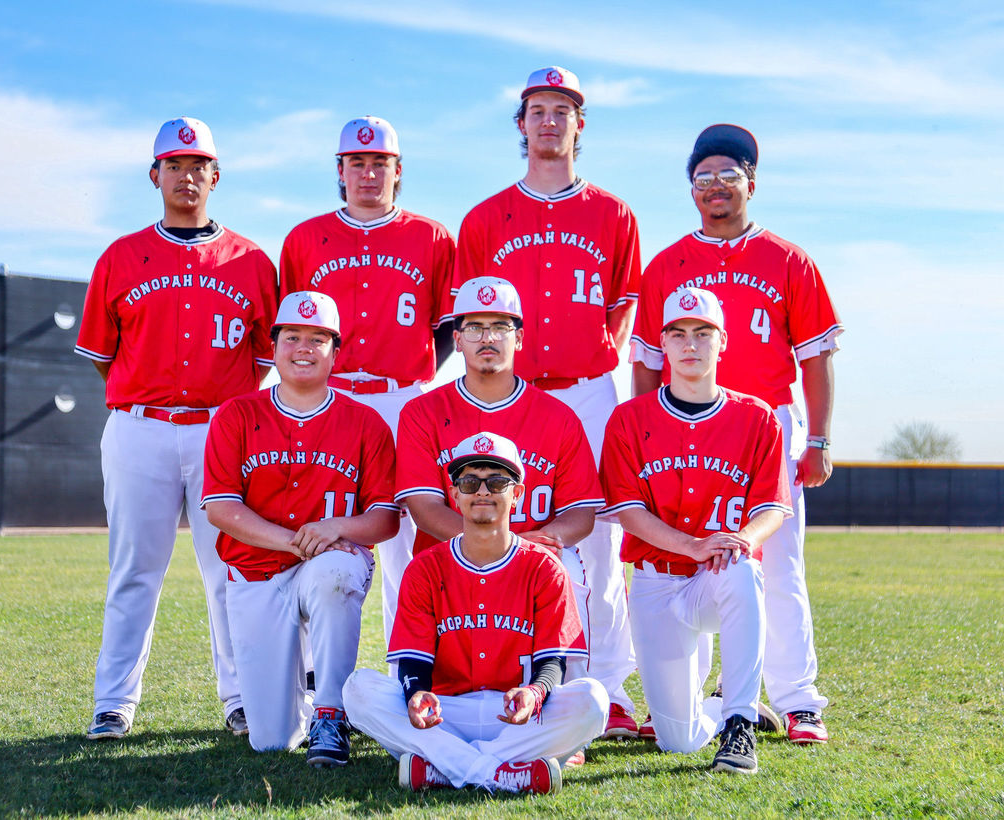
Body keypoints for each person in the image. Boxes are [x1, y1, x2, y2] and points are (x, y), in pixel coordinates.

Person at [630, 124, 842, 743]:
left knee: (776, 564)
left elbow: (816, 357)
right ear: (690, 188)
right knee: (680, 563)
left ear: (751, 182)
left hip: (766, 423)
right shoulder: (667, 264)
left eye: (728, 175)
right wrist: (645, 438)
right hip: (680, 428)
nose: (716, 187)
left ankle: (798, 698)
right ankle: (685, 701)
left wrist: (820, 439)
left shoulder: (787, 258)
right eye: (703, 177)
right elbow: (645, 359)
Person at [74, 117, 278, 740]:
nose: (186, 176)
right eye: (174, 165)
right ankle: (114, 704)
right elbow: (103, 356)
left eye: (198, 167)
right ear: (155, 174)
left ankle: (242, 697)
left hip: (223, 430)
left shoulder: (251, 260)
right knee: (135, 568)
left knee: (229, 570)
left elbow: (263, 361)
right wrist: (143, 402)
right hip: (140, 426)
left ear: (215, 177)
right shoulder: (121, 255)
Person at [453, 66, 641, 736]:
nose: (551, 121)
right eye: (539, 109)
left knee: (604, 548)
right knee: (520, 540)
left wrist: (592, 364)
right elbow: (470, 320)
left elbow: (623, 309)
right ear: (522, 124)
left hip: (590, 391)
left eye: (564, 109)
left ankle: (611, 689)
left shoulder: (615, 213)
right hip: (516, 397)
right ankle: (526, 678)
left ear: (579, 124)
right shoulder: (483, 218)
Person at [344, 432, 608, 794]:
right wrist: (417, 695)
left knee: (593, 699)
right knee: (358, 690)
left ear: (517, 494)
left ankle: (444, 767)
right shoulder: (425, 568)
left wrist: (534, 692)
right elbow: (414, 662)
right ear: (455, 495)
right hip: (445, 713)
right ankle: (500, 771)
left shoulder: (545, 568)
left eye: (497, 481)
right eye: (470, 482)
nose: (482, 491)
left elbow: (553, 662)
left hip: (516, 714)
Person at [201, 291, 399, 766]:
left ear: (337, 351)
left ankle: (330, 711)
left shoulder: (366, 423)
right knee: (271, 739)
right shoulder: (237, 414)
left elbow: (386, 519)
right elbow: (221, 509)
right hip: (256, 570)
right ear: (273, 347)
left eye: (318, 339)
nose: (304, 348)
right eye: (292, 337)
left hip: (330, 564)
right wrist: (296, 541)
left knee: (336, 574)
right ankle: (311, 703)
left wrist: (336, 528)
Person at [279, 115, 455, 645]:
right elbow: (291, 331)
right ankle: (312, 676)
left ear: (398, 171)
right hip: (326, 402)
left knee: (409, 540)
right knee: (320, 531)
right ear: (340, 170)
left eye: (380, 162)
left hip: (402, 398)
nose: (369, 174)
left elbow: (445, 326)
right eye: (357, 163)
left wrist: (414, 372)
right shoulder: (306, 238)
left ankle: (410, 664)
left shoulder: (431, 236)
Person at [600, 288, 792, 773]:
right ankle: (717, 707)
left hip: (717, 576)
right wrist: (693, 544)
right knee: (678, 741)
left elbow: (772, 507)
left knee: (744, 572)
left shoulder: (757, 418)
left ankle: (740, 723)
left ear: (722, 341)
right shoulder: (628, 418)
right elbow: (627, 510)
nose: (691, 344)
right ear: (662, 344)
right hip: (656, 582)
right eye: (678, 334)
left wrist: (743, 540)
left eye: (703, 333)